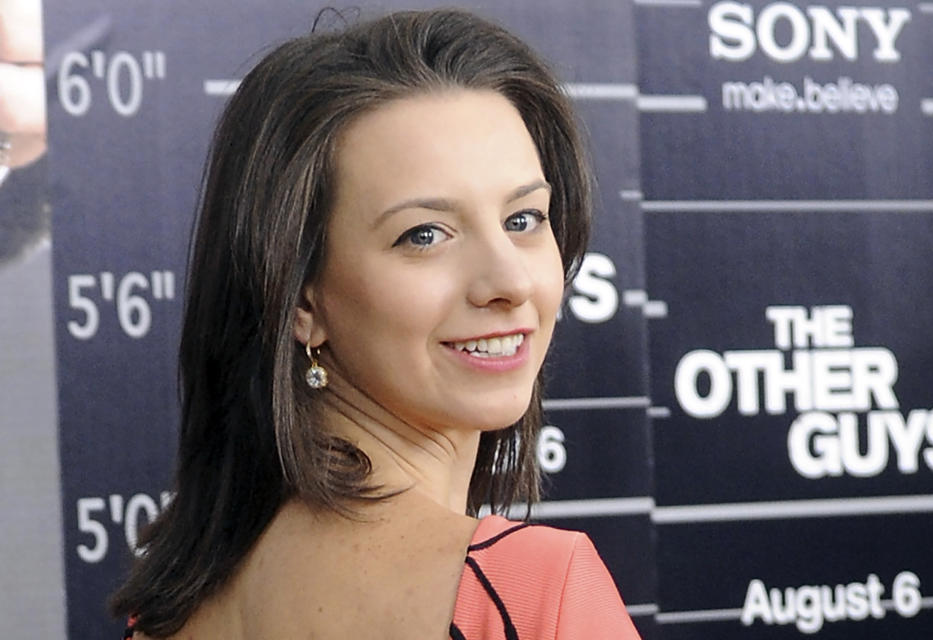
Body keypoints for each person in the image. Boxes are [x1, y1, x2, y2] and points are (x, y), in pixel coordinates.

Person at [112, 8, 641, 639]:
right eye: (424, 235)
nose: (510, 282)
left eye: (524, 219)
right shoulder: (534, 590)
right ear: (300, 300)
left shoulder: (173, 606)